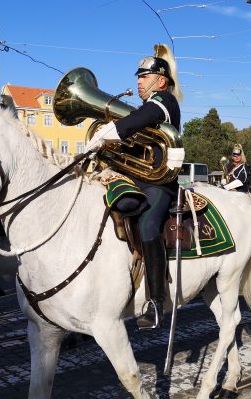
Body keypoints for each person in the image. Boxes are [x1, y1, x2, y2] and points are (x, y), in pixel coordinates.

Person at [84, 44, 184, 330]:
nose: (138, 81)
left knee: (149, 225)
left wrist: (103, 136)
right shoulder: (148, 104)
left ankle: (156, 302)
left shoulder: (164, 101)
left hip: (159, 182)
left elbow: (134, 122)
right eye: (138, 76)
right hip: (135, 178)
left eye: (144, 76)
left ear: (161, 80)